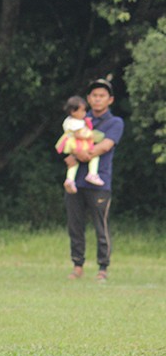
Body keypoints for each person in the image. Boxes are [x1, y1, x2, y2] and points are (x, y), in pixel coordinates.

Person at [65, 78, 124, 282]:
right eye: (94, 96)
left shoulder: (115, 122)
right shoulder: (80, 120)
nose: (98, 99)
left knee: (101, 225)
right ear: (88, 99)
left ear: (110, 100)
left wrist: (81, 154)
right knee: (75, 225)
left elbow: (105, 146)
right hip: (76, 182)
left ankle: (103, 267)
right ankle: (77, 264)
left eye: (102, 96)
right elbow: (67, 141)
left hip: (100, 183)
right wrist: (71, 152)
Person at [55, 96, 104, 194]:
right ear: (73, 111)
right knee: (94, 156)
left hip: (70, 143)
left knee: (73, 162)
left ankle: (70, 179)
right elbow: (78, 134)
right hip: (78, 143)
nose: (84, 113)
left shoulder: (68, 120)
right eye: (82, 111)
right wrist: (89, 136)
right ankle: (92, 173)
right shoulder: (76, 123)